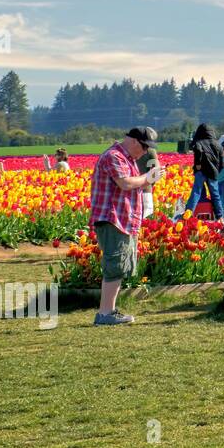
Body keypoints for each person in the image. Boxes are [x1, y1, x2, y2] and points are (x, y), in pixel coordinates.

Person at [90, 128, 165, 325]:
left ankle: (109, 311)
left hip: (123, 219)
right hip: (112, 218)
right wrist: (148, 178)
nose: (146, 151)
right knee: (115, 264)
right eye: (144, 146)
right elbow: (125, 183)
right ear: (133, 141)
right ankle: (105, 313)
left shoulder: (127, 158)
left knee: (120, 264)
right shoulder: (114, 156)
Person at [184, 123, 224, 220]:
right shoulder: (217, 144)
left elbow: (198, 150)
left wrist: (198, 164)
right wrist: (218, 171)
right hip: (213, 173)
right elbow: (222, 160)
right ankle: (220, 217)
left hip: (201, 171)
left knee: (196, 192)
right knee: (215, 194)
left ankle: (188, 215)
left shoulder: (199, 142)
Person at [134, 128, 159, 220]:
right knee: (146, 217)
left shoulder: (128, 150)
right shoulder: (151, 151)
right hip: (145, 188)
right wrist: (151, 183)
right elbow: (156, 170)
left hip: (129, 189)